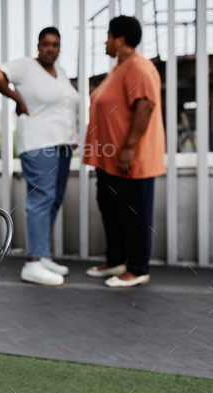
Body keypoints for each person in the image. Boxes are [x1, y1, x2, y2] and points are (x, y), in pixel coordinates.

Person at [0, 27, 79, 286]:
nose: (51, 49)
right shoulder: (26, 66)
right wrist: (17, 98)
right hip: (39, 142)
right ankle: (34, 263)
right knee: (42, 198)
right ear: (38, 46)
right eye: (46, 44)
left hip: (63, 144)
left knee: (54, 199)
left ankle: (43, 255)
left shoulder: (60, 73)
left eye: (56, 45)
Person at [83, 16, 165, 287]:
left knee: (134, 215)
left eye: (108, 36)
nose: (105, 41)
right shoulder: (119, 68)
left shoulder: (139, 67)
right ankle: (117, 260)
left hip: (128, 160)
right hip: (108, 161)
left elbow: (145, 107)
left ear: (119, 40)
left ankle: (138, 268)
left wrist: (128, 149)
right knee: (111, 211)